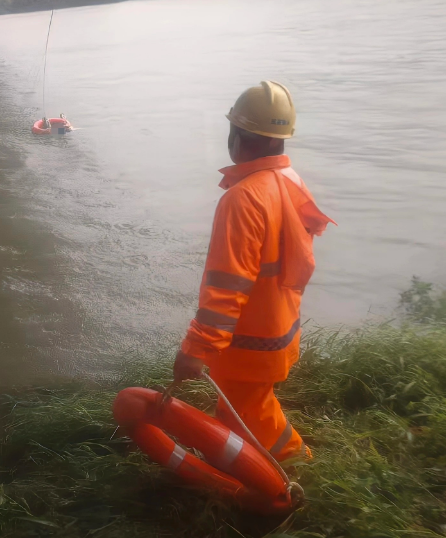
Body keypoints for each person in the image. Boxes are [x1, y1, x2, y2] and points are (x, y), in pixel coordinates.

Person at [172, 81, 335, 461]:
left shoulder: (242, 199)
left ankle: (299, 471)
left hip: (249, 345)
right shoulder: (288, 181)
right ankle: (249, 474)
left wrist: (196, 349)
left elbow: (228, 287)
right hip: (278, 332)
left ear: (236, 135)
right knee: (242, 413)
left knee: (253, 420)